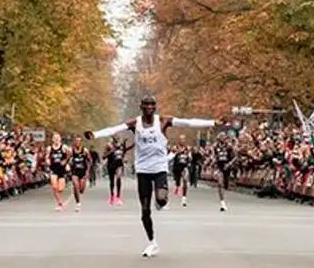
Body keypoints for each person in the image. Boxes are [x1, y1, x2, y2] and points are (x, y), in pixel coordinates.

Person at [85, 95, 219, 257]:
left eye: (152, 105)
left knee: (161, 199)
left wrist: (213, 123)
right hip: (143, 170)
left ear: (155, 107)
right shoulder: (135, 123)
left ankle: (160, 201)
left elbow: (188, 122)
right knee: (145, 211)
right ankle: (152, 242)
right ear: (141, 107)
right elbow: (115, 129)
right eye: (146, 105)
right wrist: (95, 134)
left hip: (159, 167)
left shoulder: (162, 121)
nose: (149, 107)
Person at [47, 133, 70, 211]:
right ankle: (59, 202)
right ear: (52, 139)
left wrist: (66, 162)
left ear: (60, 139)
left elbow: (69, 155)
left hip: (62, 169)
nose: (56, 139)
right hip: (53, 168)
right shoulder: (49, 148)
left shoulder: (64, 147)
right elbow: (47, 156)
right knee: (54, 186)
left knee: (60, 189)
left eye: (58, 138)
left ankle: (60, 200)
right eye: (55, 138)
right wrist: (47, 161)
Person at [106, 137, 131, 206]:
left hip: (119, 164)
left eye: (118, 137)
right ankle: (112, 195)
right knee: (112, 182)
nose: (117, 138)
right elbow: (104, 156)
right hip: (111, 165)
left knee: (119, 178)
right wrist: (111, 151)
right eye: (116, 137)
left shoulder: (121, 145)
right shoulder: (109, 145)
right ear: (113, 138)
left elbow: (124, 151)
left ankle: (118, 197)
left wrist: (131, 144)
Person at [69, 136, 91, 213]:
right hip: (74, 171)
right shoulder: (71, 150)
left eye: (79, 141)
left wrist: (87, 171)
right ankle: (78, 203)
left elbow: (90, 160)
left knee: (81, 190)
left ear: (81, 142)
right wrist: (69, 163)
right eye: (76, 141)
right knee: (75, 186)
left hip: (83, 171)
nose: (77, 142)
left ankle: (79, 194)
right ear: (74, 142)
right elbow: (68, 159)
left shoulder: (85, 150)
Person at [171, 139, 192, 207]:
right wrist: (177, 151)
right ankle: (177, 187)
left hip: (184, 167)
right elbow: (172, 155)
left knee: (185, 181)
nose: (182, 141)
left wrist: (189, 154)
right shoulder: (175, 147)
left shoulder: (187, 148)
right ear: (179, 141)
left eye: (184, 139)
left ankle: (184, 199)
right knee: (177, 180)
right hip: (177, 167)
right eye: (181, 139)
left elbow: (190, 158)